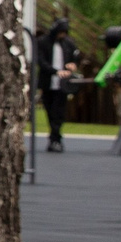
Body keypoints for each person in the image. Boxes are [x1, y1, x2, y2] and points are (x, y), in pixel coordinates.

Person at [35, 16, 83, 152]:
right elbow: (41, 62)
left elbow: (76, 56)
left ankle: (56, 139)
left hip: (63, 85)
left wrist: (73, 64)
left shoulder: (68, 43)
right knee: (50, 111)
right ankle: (53, 138)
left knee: (59, 112)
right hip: (48, 83)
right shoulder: (43, 42)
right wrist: (56, 71)